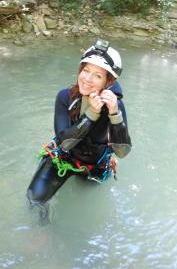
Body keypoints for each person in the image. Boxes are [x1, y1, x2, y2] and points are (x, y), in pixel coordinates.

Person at [26, 39, 131, 207]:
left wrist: (114, 114)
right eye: (86, 70)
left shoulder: (115, 105)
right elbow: (65, 144)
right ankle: (41, 227)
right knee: (34, 198)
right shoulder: (65, 97)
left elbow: (123, 152)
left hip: (96, 165)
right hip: (63, 156)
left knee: (81, 203)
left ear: (108, 82)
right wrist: (91, 115)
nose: (87, 79)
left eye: (97, 76)